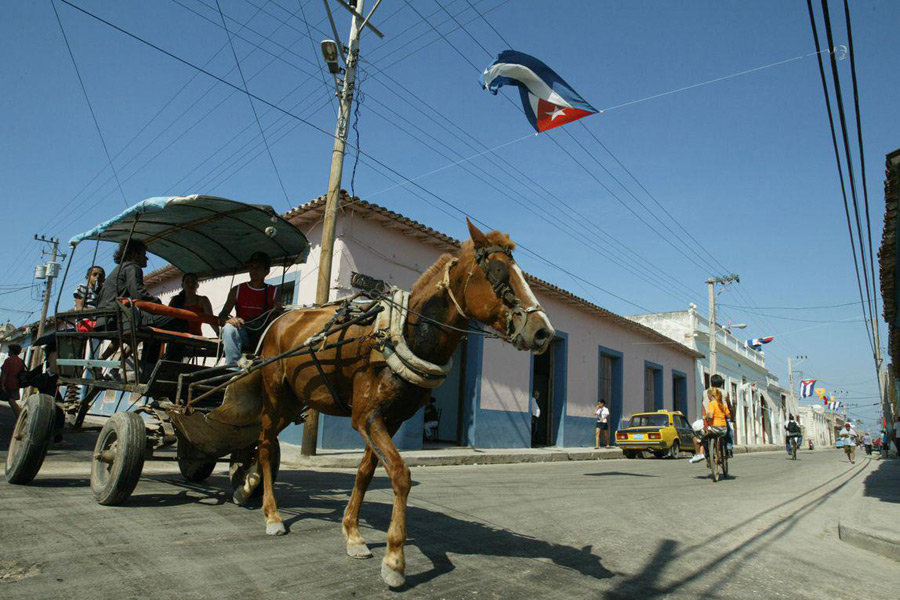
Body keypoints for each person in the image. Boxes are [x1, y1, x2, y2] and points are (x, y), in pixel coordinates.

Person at [96, 239, 187, 367]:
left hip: (108, 318)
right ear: (134, 254)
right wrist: (159, 304)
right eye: (144, 254)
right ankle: (167, 365)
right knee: (180, 321)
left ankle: (145, 365)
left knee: (154, 328)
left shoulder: (119, 269)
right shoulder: (132, 267)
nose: (146, 259)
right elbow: (139, 294)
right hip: (119, 318)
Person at [218, 252, 282, 366]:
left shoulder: (274, 291)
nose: (254, 270)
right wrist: (228, 320)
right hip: (243, 333)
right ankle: (232, 367)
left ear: (267, 271)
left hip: (263, 336)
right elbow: (222, 315)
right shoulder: (237, 290)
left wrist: (278, 311)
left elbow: (277, 318)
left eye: (258, 267)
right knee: (228, 328)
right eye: (251, 267)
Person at [690, 386, 731, 464]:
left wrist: (706, 416)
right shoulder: (722, 404)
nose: (707, 396)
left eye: (708, 395)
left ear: (711, 395)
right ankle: (720, 453)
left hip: (714, 428)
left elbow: (711, 416)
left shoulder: (712, 403)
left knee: (697, 435)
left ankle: (699, 454)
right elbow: (729, 416)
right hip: (724, 429)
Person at [1, 344, 26, 416]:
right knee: (12, 401)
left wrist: (2, 384)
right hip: (16, 384)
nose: (8, 352)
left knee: (11, 401)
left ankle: (20, 416)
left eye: (9, 350)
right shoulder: (20, 361)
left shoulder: (8, 360)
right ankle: (19, 416)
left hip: (7, 383)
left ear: (12, 351)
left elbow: (4, 373)